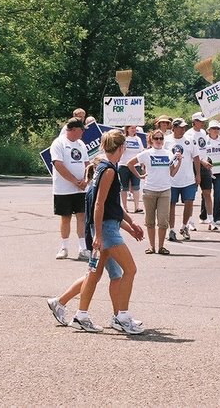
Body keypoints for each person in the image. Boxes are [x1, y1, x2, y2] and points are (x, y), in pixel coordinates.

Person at [69, 129, 146, 334]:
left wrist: (131, 223)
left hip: (105, 227)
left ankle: (81, 315)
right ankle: (122, 316)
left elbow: (112, 205)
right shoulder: (109, 170)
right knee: (130, 270)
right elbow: (99, 204)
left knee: (94, 274)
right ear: (121, 147)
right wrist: (99, 234)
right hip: (107, 230)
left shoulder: (104, 166)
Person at [127, 128, 181, 254]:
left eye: (161, 138)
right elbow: (130, 163)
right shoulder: (146, 153)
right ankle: (152, 246)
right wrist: (139, 176)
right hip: (149, 191)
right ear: (151, 140)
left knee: (163, 221)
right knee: (150, 221)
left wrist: (179, 162)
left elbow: (172, 173)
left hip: (165, 191)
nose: (158, 140)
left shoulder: (168, 154)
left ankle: (161, 247)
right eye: (156, 138)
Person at [49, 118, 90, 261]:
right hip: (64, 189)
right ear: (73, 129)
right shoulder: (59, 143)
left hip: (81, 189)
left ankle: (83, 248)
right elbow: (58, 165)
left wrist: (86, 179)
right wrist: (74, 181)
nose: (83, 132)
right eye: (81, 129)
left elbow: (87, 163)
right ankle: (64, 247)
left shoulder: (81, 144)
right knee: (65, 217)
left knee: (82, 217)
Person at [166, 118, 199, 242]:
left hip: (188, 178)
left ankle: (184, 226)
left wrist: (198, 174)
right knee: (171, 204)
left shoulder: (190, 140)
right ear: (174, 128)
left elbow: (196, 157)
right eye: (180, 127)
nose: (183, 129)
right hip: (171, 179)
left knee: (189, 202)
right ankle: (171, 230)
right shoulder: (166, 140)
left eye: (184, 127)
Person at [185, 112, 211, 224]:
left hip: (205, 164)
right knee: (191, 194)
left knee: (207, 192)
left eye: (203, 121)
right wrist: (202, 161)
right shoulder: (189, 134)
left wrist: (206, 160)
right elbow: (192, 153)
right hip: (193, 165)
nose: (202, 123)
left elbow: (203, 149)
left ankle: (209, 218)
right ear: (194, 122)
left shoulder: (203, 132)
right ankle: (189, 220)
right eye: (200, 121)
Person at [119, 125, 145, 214]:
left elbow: (141, 152)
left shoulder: (138, 139)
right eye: (132, 128)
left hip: (136, 165)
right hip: (124, 165)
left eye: (135, 128)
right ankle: (124, 207)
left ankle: (137, 207)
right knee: (124, 187)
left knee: (136, 186)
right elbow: (120, 151)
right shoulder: (123, 138)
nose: (134, 130)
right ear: (127, 129)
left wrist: (142, 165)